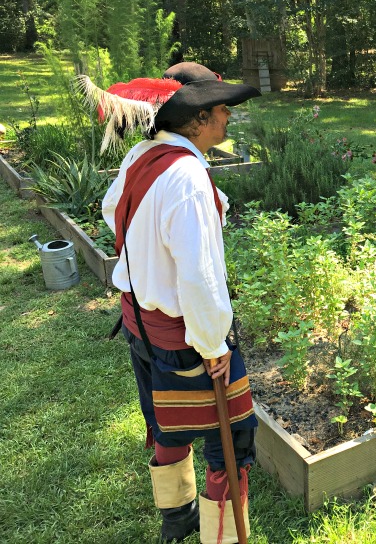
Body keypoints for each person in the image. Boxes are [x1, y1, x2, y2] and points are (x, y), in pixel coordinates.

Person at [84, 62, 262, 542]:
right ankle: (219, 535)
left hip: (141, 327)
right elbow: (200, 279)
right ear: (198, 118)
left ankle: (177, 519)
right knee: (229, 444)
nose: (228, 118)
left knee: (166, 425)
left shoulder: (144, 155)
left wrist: (147, 251)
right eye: (222, 109)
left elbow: (111, 210)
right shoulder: (185, 178)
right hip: (184, 338)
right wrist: (214, 346)